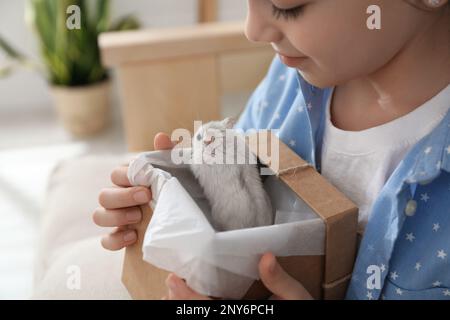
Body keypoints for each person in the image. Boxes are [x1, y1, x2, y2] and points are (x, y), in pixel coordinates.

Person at [93, 0, 450, 300]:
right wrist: (173, 203)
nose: (253, 29)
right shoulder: (287, 82)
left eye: (286, 5)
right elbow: (242, 204)